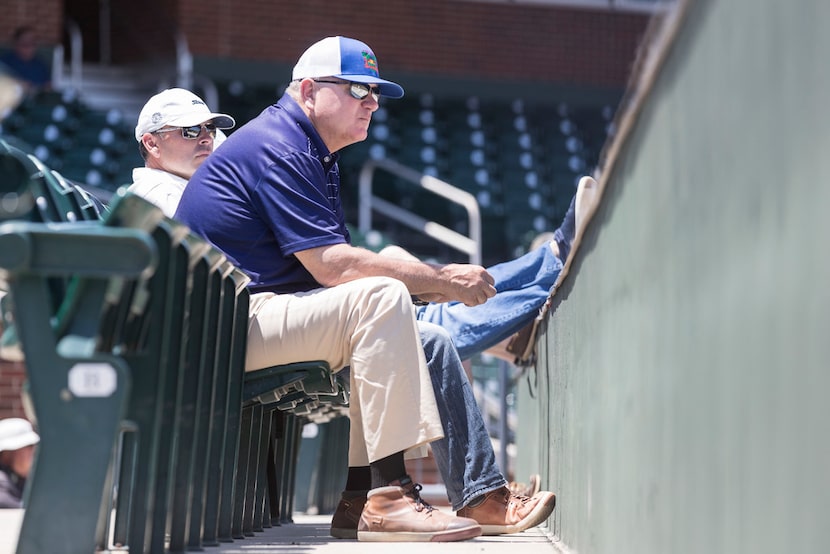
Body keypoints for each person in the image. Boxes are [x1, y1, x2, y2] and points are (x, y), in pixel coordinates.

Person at [175, 35, 556, 541]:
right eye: (357, 89)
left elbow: (328, 271)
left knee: (432, 342)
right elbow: (334, 267)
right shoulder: (278, 144)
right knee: (382, 296)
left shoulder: (310, 148)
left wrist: (432, 284)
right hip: (220, 329)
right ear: (309, 91)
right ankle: (388, 496)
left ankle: (469, 495)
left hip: (256, 316)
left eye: (375, 92)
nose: (372, 102)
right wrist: (439, 280)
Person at [127, 88, 236, 217]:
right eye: (191, 130)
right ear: (152, 144)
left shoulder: (178, 192)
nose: (207, 139)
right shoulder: (161, 196)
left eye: (210, 128)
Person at [0, 417, 39, 508]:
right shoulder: (1, 483)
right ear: (7, 453)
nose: (34, 452)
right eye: (29, 446)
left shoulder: (19, 481)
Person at [0, 26, 51, 95]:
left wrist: (42, 89)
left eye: (32, 43)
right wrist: (18, 84)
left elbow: (47, 87)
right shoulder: (4, 62)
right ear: (16, 44)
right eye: (25, 44)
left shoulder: (40, 64)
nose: (29, 48)